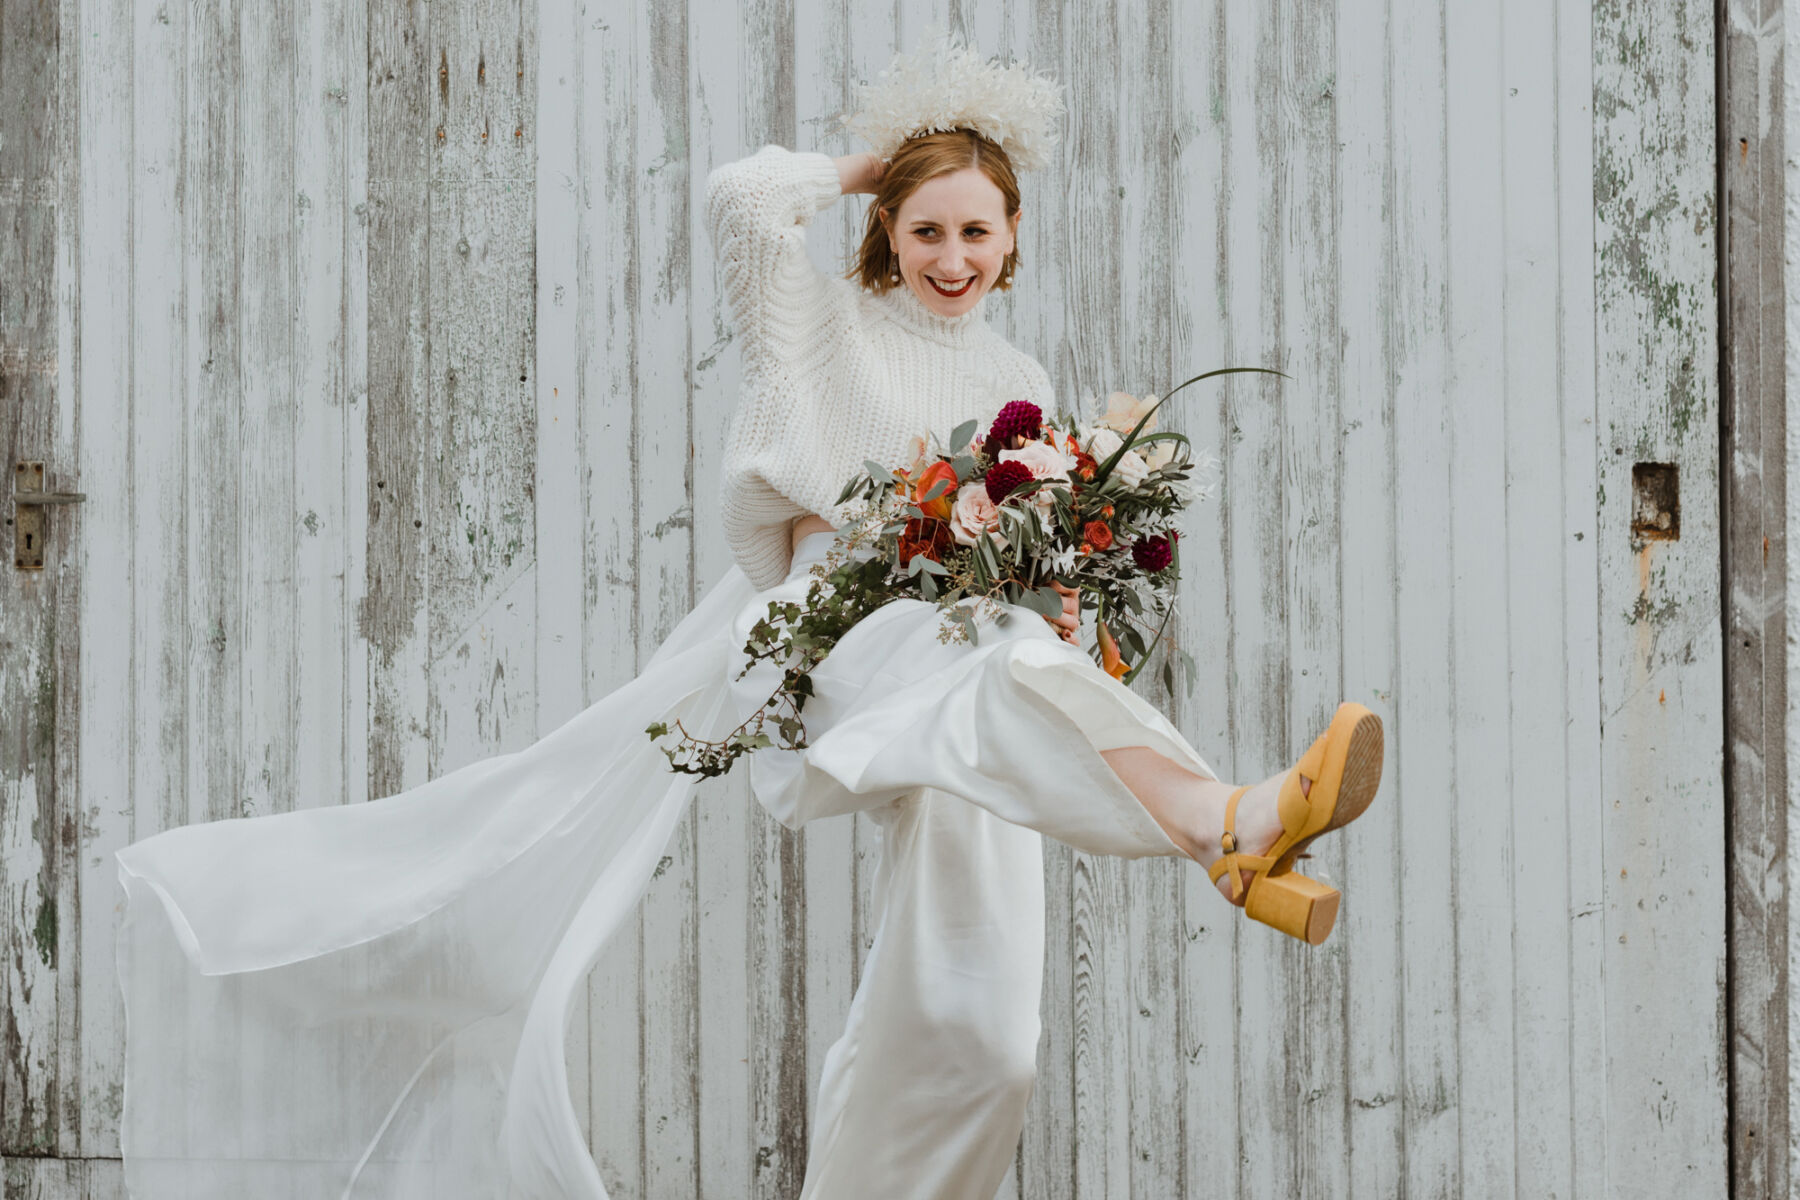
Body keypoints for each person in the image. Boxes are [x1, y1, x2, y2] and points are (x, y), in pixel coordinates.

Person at [111, 28, 1380, 1200]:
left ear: (1013, 234)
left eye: (976, 231)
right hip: (841, 631)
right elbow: (738, 197)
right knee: (994, 667)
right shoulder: (821, 327)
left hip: (978, 669)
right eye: (926, 229)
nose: (952, 260)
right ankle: (1227, 821)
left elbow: (1017, 572)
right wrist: (882, 157)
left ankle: (1202, 857)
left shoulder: (1018, 378)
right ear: (889, 229)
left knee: (983, 1031)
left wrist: (1060, 571)